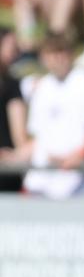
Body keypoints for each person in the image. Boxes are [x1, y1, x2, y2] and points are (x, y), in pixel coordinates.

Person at [22, 34, 84, 199]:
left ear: (71, 54)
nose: (57, 59)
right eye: (52, 53)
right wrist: (14, 156)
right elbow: (38, 136)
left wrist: (80, 155)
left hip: (81, 181)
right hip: (45, 180)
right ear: (43, 58)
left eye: (61, 52)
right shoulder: (42, 87)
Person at [0, 27, 27, 192]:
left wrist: (18, 155)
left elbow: (20, 137)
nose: (15, 51)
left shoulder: (12, 85)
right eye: (11, 45)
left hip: (7, 167)